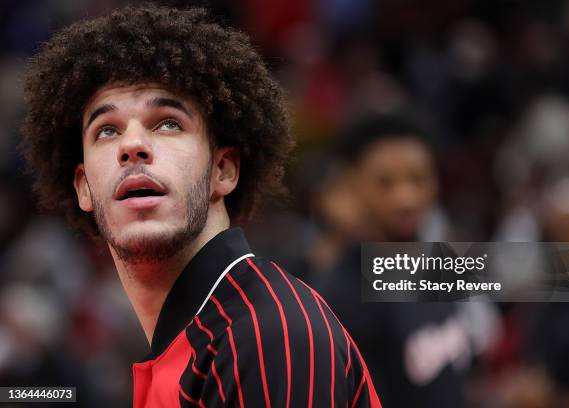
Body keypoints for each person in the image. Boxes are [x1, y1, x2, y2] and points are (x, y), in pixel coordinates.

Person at [20, 5, 380, 407]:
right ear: (84, 187)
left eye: (168, 123)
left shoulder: (264, 334)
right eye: (106, 130)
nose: (131, 145)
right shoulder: (191, 346)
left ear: (222, 171)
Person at [314, 111, 472, 407]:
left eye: (418, 179)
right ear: (352, 186)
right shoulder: (337, 298)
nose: (406, 199)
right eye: (385, 183)